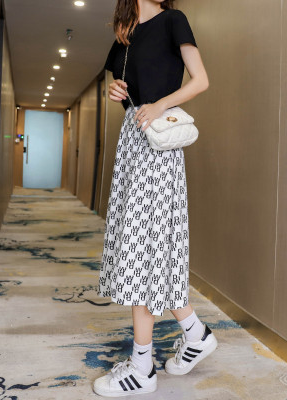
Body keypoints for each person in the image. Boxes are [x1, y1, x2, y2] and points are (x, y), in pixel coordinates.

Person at [94, 0, 217, 396]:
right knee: (144, 246)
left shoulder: (172, 21)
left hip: (158, 142)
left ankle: (142, 367)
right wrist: (116, 90)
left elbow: (200, 80)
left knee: (143, 247)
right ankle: (194, 333)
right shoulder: (124, 33)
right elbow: (125, 91)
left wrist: (160, 104)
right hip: (133, 140)